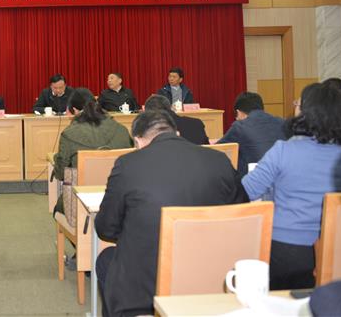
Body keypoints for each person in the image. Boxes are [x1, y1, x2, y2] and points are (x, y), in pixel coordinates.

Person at [95, 110, 247, 317]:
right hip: (213, 275)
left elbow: (106, 229)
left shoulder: (128, 164)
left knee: (106, 260)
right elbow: (242, 214)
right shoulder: (219, 160)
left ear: (137, 140)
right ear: (176, 133)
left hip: (148, 285)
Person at [242, 82, 341, 290]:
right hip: (338, 252)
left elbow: (245, 191)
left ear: (304, 113)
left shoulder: (283, 151)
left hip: (286, 251)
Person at [53, 88, 132, 215]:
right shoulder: (121, 130)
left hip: (82, 200)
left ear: (74, 110)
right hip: (119, 199)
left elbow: (60, 173)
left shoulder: (69, 134)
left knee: (58, 207)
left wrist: (56, 159)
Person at [217, 91, 285, 178]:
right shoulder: (282, 122)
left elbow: (218, 149)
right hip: (282, 177)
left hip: (254, 180)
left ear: (238, 112)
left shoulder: (240, 126)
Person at [144, 94, 208, 144]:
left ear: (148, 113)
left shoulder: (149, 129)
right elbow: (207, 147)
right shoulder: (196, 123)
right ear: (170, 108)